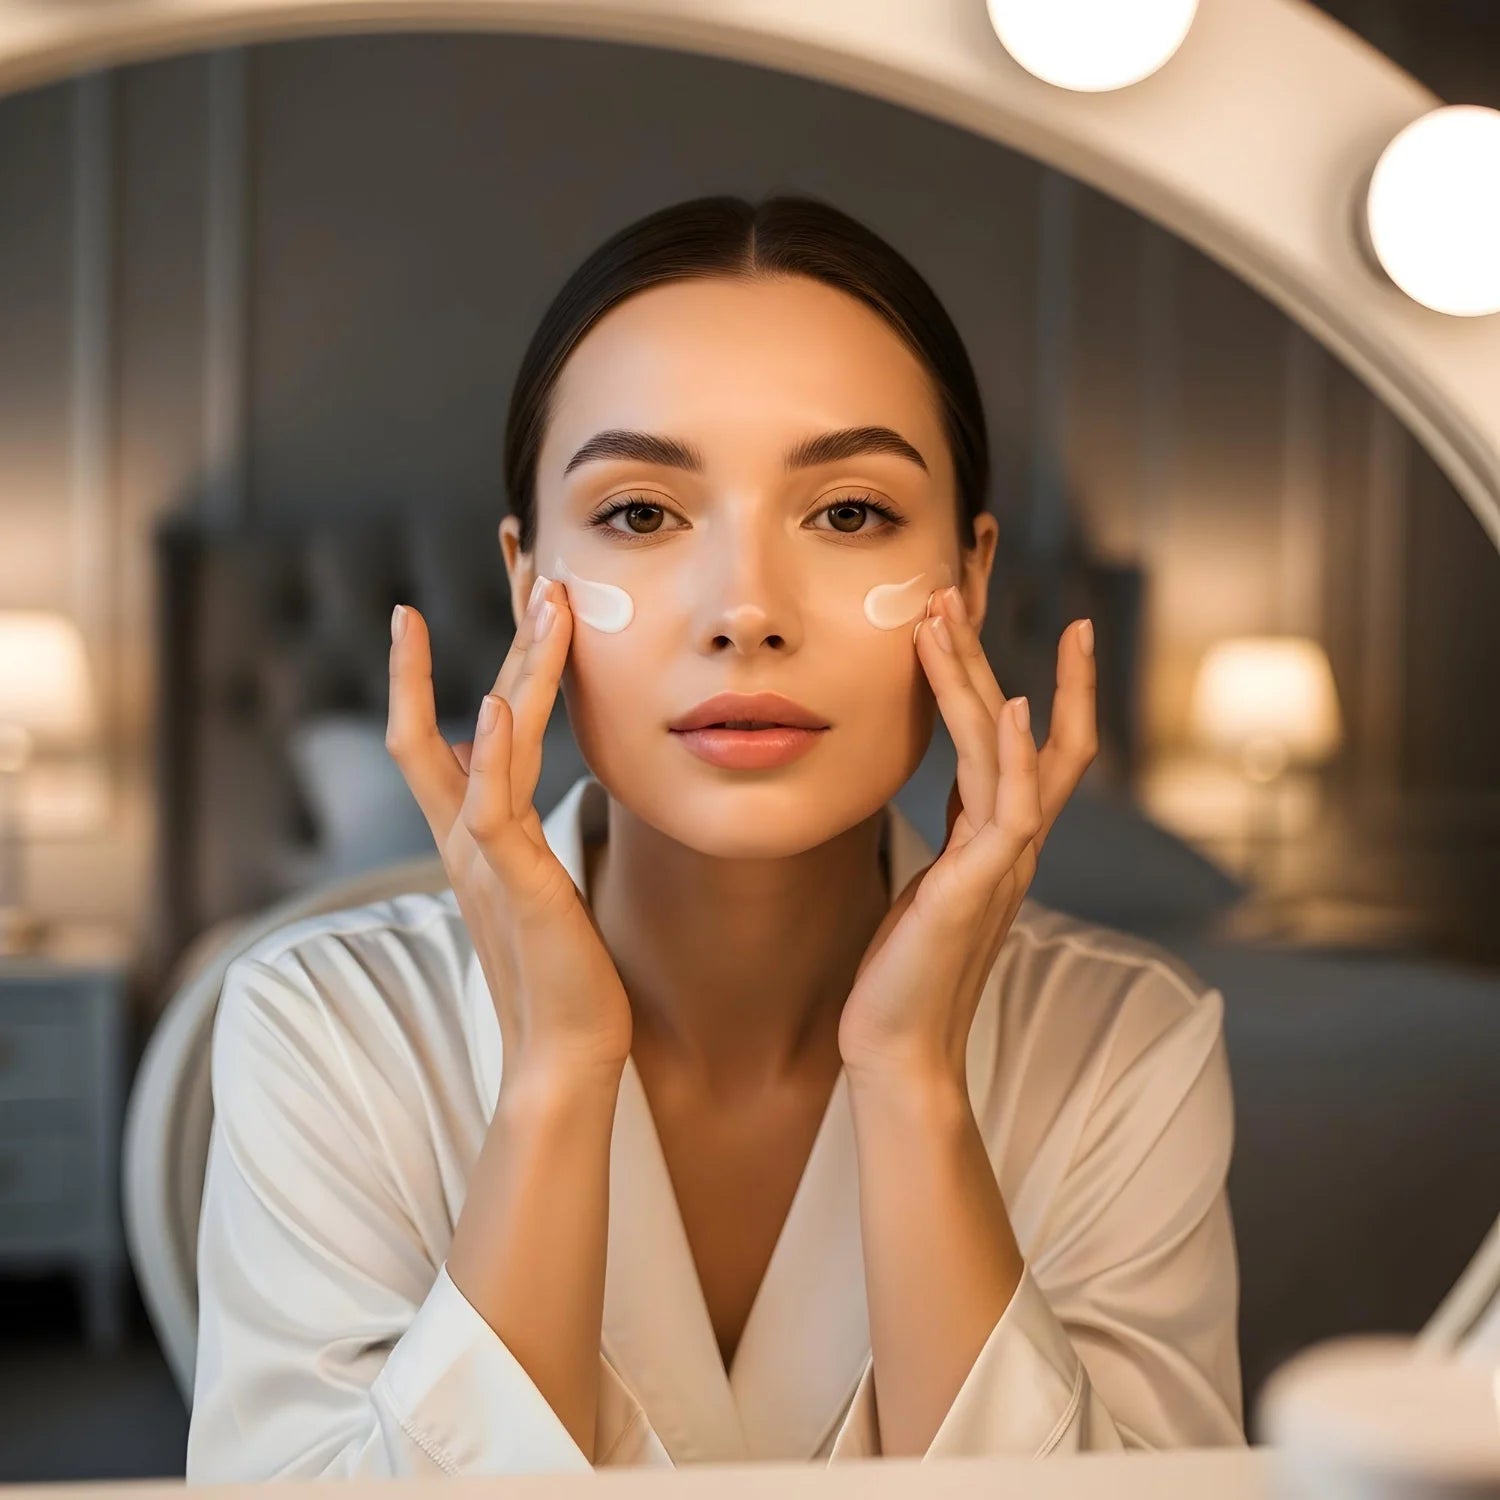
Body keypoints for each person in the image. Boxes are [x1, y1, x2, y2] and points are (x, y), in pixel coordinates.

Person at [184, 193, 1245, 1478]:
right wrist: (556, 1074)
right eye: (641, 514)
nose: (747, 611)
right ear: (527, 582)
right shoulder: (322, 1029)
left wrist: (911, 1079)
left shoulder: (1127, 1047)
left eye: (849, 513)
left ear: (970, 578)